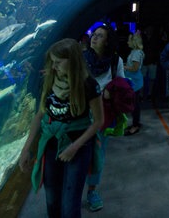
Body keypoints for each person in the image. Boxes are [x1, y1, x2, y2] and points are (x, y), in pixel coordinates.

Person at [18, 38, 104, 218]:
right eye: (52, 62)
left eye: (58, 62)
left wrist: (74, 147)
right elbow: (40, 115)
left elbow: (98, 121)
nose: (54, 67)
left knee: (70, 204)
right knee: (52, 199)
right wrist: (26, 149)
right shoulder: (49, 80)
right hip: (51, 144)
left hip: (77, 146)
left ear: (72, 61)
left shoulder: (89, 85)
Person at [83, 24, 125, 212]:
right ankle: (74, 188)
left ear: (108, 41)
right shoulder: (82, 59)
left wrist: (111, 91)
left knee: (98, 154)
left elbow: (123, 84)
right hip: (81, 113)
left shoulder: (116, 61)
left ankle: (92, 191)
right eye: (94, 35)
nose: (94, 38)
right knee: (78, 152)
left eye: (100, 36)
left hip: (103, 114)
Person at [124, 31, 145, 135]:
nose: (127, 42)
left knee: (134, 105)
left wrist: (123, 67)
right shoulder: (135, 52)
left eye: (129, 40)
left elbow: (135, 68)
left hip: (135, 83)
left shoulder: (136, 53)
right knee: (135, 104)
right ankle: (136, 123)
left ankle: (135, 125)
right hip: (135, 82)